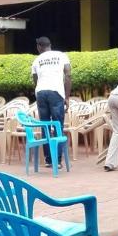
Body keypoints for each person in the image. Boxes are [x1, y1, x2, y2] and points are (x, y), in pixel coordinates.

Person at [30, 36, 71, 167]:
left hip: (41, 92)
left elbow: (35, 80)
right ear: (50, 45)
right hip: (56, 92)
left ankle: (48, 160)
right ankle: (57, 161)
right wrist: (67, 96)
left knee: (45, 126)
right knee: (58, 125)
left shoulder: (36, 60)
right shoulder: (61, 56)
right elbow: (68, 75)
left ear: (39, 47)